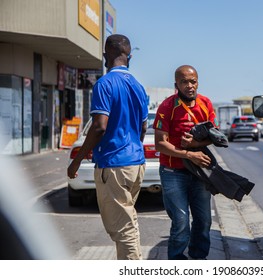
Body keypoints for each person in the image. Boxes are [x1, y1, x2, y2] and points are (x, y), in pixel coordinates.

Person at [67, 34, 149, 260]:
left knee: (123, 230)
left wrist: (77, 160)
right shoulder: (139, 87)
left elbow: (99, 127)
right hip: (136, 164)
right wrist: (133, 149)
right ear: (129, 57)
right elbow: (143, 127)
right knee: (127, 222)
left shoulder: (104, 84)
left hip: (114, 165)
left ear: (106, 55)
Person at [153, 65, 217, 260]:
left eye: (193, 81)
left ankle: (199, 259)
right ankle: (177, 260)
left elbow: (215, 136)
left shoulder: (206, 103)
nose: (189, 86)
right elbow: (160, 144)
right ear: (176, 85)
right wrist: (190, 154)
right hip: (173, 172)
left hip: (199, 172)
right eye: (184, 82)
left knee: (204, 220)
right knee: (181, 221)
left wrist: (196, 143)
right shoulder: (166, 107)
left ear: (198, 82)